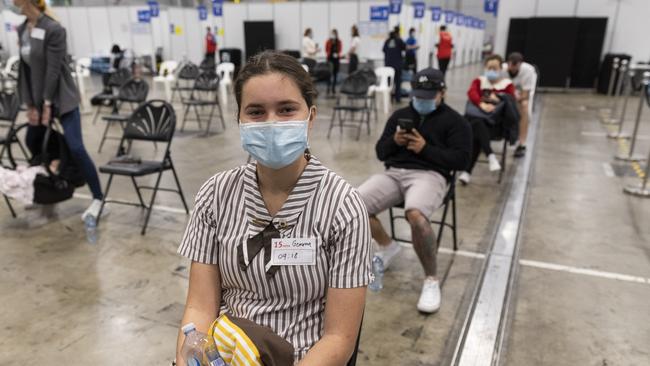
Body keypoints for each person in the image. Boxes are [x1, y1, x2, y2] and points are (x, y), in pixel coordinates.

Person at [176, 51, 370, 365]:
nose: (271, 123)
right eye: (255, 112)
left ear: (311, 117)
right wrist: (189, 357)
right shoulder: (215, 194)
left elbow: (339, 338)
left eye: (286, 109)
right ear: (239, 118)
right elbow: (199, 308)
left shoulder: (342, 206)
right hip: (224, 352)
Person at [358, 68, 471, 313]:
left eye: (428, 97)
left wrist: (425, 149)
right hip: (394, 173)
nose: (422, 101)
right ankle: (388, 247)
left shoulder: (455, 122)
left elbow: (461, 161)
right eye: (418, 95)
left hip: (431, 175)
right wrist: (394, 142)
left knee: (416, 215)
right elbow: (380, 152)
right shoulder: (400, 115)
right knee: (353, 205)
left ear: (443, 93)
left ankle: (431, 279)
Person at [13, 0, 104, 220]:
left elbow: (53, 70)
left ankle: (98, 198)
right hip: (38, 98)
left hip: (62, 98)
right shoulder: (23, 29)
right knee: (33, 141)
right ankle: (46, 191)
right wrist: (31, 105)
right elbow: (25, 71)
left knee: (75, 146)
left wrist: (46, 103)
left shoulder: (54, 29)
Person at [460, 54, 516, 184]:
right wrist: (482, 104)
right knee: (477, 126)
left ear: (501, 68)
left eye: (495, 68)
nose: (491, 70)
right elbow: (471, 93)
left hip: (495, 125)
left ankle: (467, 172)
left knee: (476, 129)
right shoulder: (479, 81)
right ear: (485, 68)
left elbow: (511, 102)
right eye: (489, 67)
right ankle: (490, 156)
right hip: (479, 124)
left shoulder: (507, 85)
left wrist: (500, 97)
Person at [504, 52, 536, 157]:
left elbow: (525, 95)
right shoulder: (502, 69)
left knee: (525, 106)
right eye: (511, 66)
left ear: (520, 65)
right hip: (507, 95)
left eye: (515, 66)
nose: (513, 69)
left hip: (520, 96)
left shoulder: (528, 71)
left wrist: (517, 97)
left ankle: (522, 143)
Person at [383, 29, 406, 103]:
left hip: (388, 66)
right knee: (398, 82)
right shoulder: (399, 40)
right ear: (397, 34)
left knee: (389, 83)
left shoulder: (387, 41)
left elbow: (384, 50)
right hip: (397, 65)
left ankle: (389, 98)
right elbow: (404, 47)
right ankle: (398, 99)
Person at [325, 29, 342, 95]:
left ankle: (333, 88)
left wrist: (337, 54)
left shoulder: (339, 42)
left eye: (334, 34)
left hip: (336, 60)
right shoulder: (328, 41)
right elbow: (326, 49)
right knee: (329, 74)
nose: (333, 35)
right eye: (332, 33)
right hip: (330, 59)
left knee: (335, 74)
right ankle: (328, 88)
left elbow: (340, 50)